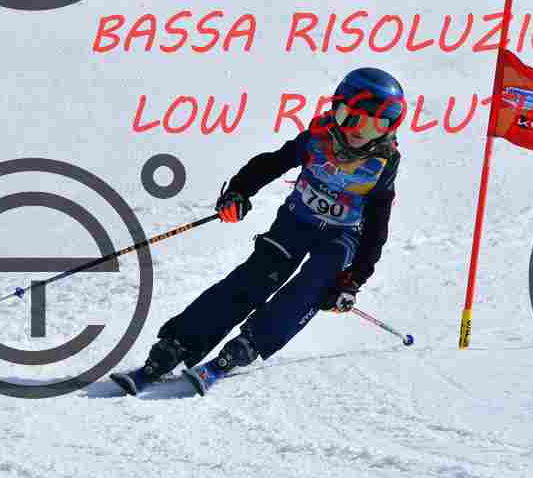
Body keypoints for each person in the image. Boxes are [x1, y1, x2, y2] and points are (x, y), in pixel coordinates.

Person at [115, 68, 405, 396]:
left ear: (389, 128)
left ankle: (250, 344)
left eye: (375, 126)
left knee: (316, 282)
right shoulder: (318, 137)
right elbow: (272, 163)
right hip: (296, 221)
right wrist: (239, 192)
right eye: (350, 118)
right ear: (336, 109)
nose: (359, 133)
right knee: (256, 276)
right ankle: (179, 344)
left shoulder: (384, 163)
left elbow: (377, 226)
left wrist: (352, 281)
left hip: (341, 236)